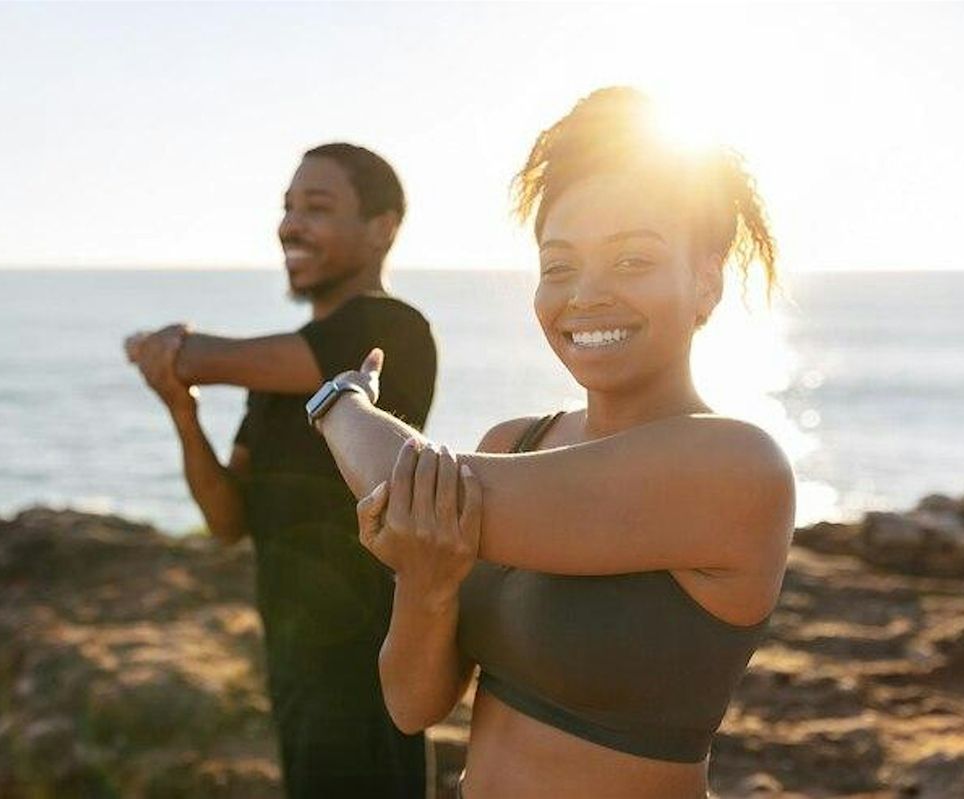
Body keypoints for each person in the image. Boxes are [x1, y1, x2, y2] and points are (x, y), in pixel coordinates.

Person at [307, 88, 795, 798]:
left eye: (633, 261)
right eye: (559, 266)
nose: (586, 294)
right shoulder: (516, 442)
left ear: (707, 281)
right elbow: (413, 705)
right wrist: (429, 580)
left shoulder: (736, 467)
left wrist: (339, 399)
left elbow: (403, 473)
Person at [124, 143, 437, 799]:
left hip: (370, 664)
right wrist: (184, 415)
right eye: (288, 208)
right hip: (293, 660)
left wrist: (169, 348)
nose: (291, 225)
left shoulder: (390, 330)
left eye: (316, 208)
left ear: (382, 228)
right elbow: (226, 520)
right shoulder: (274, 378)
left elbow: (214, 356)